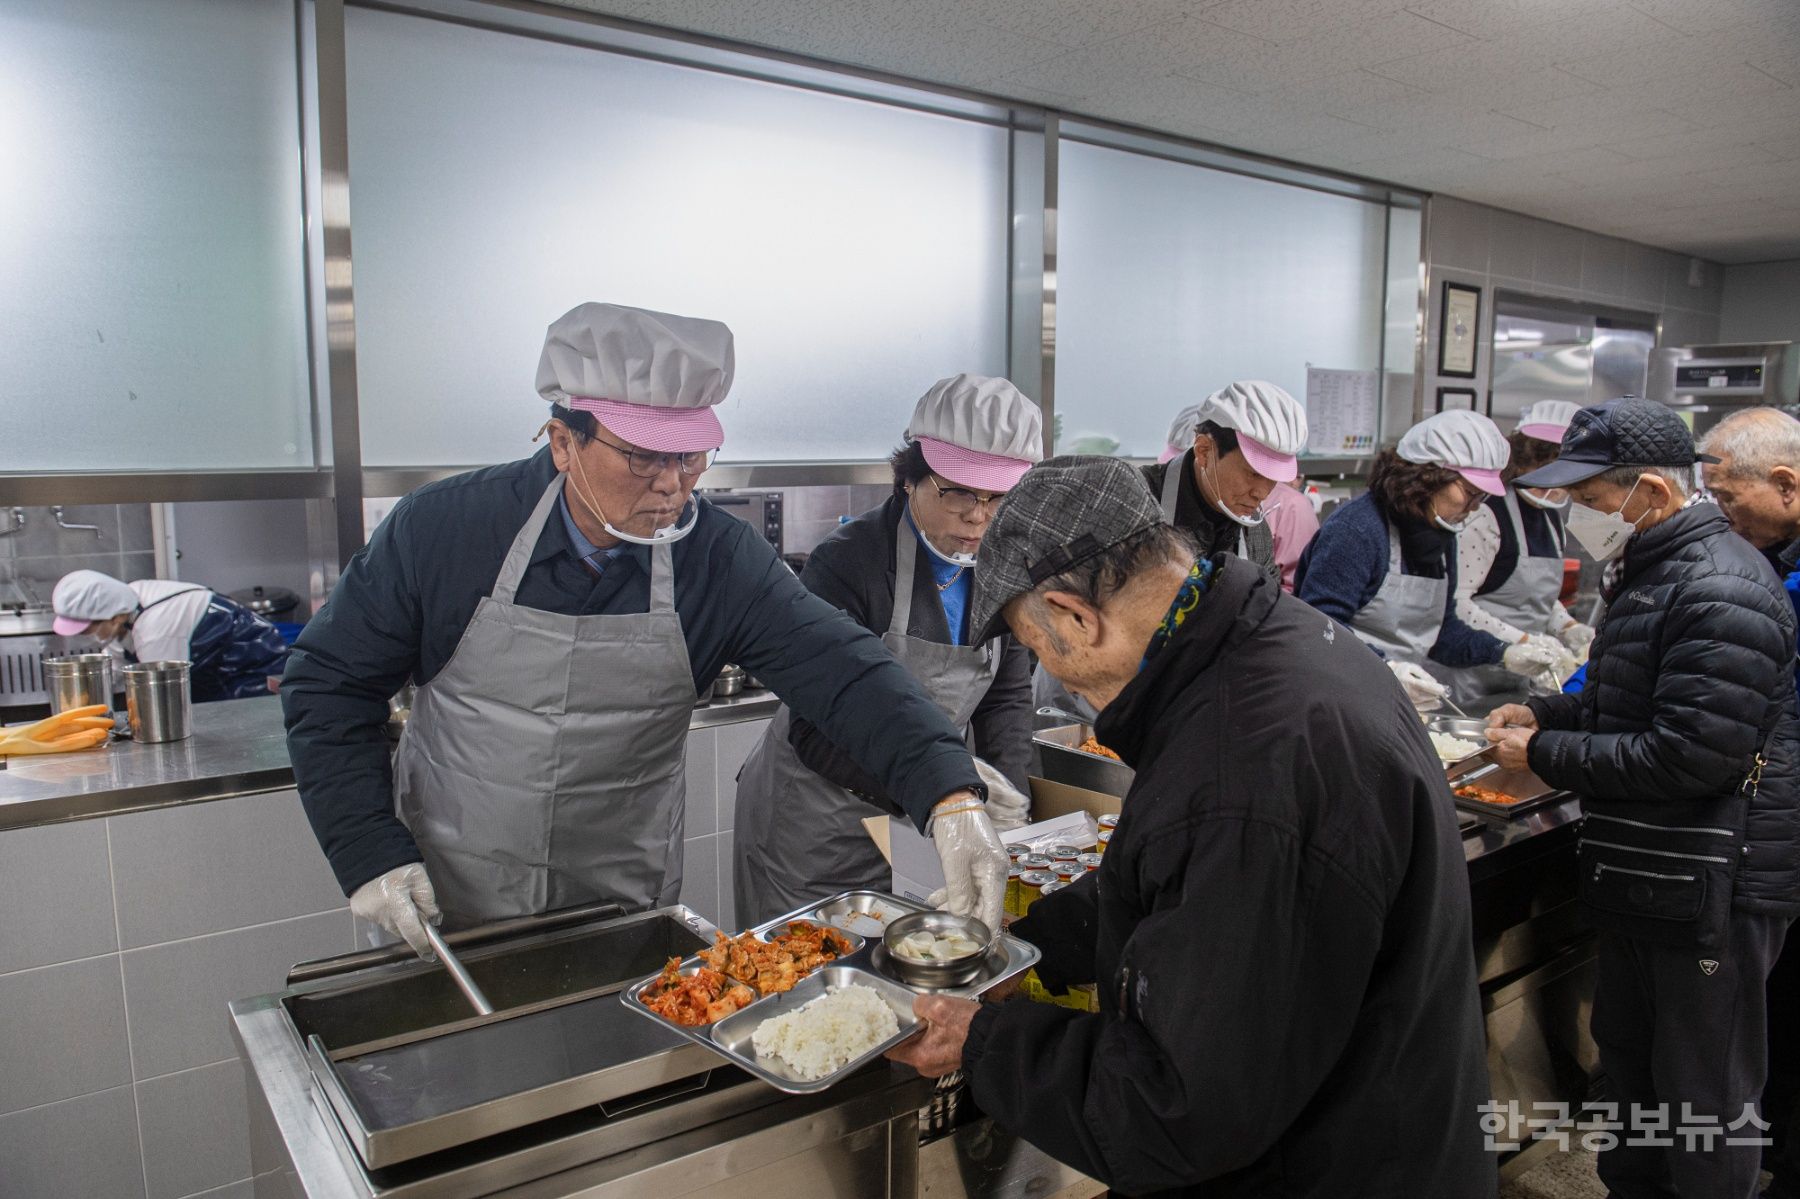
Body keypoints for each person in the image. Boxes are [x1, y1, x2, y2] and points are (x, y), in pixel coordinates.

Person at [282, 303, 1009, 955]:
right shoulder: (445, 531)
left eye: (691, 456)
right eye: (643, 456)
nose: (673, 484)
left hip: (622, 909)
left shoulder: (716, 560)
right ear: (563, 440)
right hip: (446, 900)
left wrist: (948, 793)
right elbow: (328, 684)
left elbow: (843, 671)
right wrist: (368, 849)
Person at [888, 456, 1496, 1197]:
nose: (1053, 671)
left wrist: (982, 1042)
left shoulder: (1242, 774)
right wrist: (1029, 951)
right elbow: (1182, 891)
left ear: (1076, 616)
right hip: (1385, 1119)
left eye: (1036, 643)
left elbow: (1178, 1107)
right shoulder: (1275, 644)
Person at [1484, 397, 1800, 1199]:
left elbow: (1692, 754)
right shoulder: (1655, 571)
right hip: (1650, 874)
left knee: (1708, 1093)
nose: (1585, 521)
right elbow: (1633, 698)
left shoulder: (1723, 587)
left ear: (1652, 493)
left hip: (1712, 886)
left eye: (1591, 504)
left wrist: (1547, 752)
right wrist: (1548, 711)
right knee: (1630, 1072)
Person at [733, 374, 1040, 924]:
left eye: (999, 497)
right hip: (816, 825)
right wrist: (940, 789)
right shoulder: (851, 561)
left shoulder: (1009, 568)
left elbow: (1006, 697)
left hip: (929, 821)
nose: (978, 516)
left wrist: (1007, 807)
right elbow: (816, 726)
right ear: (910, 478)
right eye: (959, 491)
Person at [1036, 380, 1310, 719]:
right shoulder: (1127, 502)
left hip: (1185, 711)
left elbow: (1262, 626)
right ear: (1205, 450)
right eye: (1253, 473)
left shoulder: (1253, 535)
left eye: (1273, 479)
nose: (1262, 492)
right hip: (1088, 705)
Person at [1295, 409, 1563, 712]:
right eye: (1471, 493)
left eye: (1482, 498)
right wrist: (1387, 670)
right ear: (1427, 477)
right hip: (1341, 703)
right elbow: (1321, 629)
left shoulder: (1439, 531)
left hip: (1395, 705)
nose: (1474, 508)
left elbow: (1442, 633)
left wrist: (1505, 652)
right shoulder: (1358, 530)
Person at [1698, 406, 1800, 1199]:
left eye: (1728, 497)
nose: (1721, 515)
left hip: (1774, 822)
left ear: (1786, 485)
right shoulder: (1769, 558)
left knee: (1746, 1040)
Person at [1450, 399, 1593, 708]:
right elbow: (1457, 603)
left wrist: (1567, 628)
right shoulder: (1487, 514)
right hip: (1472, 678)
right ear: (1521, 462)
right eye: (1541, 474)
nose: (1550, 490)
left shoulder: (1551, 516)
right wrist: (1523, 642)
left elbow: (1534, 598)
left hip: (1522, 681)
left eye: (1560, 481)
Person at [50, 570, 289, 702]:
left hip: (252, 670)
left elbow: (161, 696)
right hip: (211, 672)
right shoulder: (126, 603)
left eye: (87, 629)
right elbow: (116, 665)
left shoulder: (156, 631)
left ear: (114, 618)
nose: (85, 635)